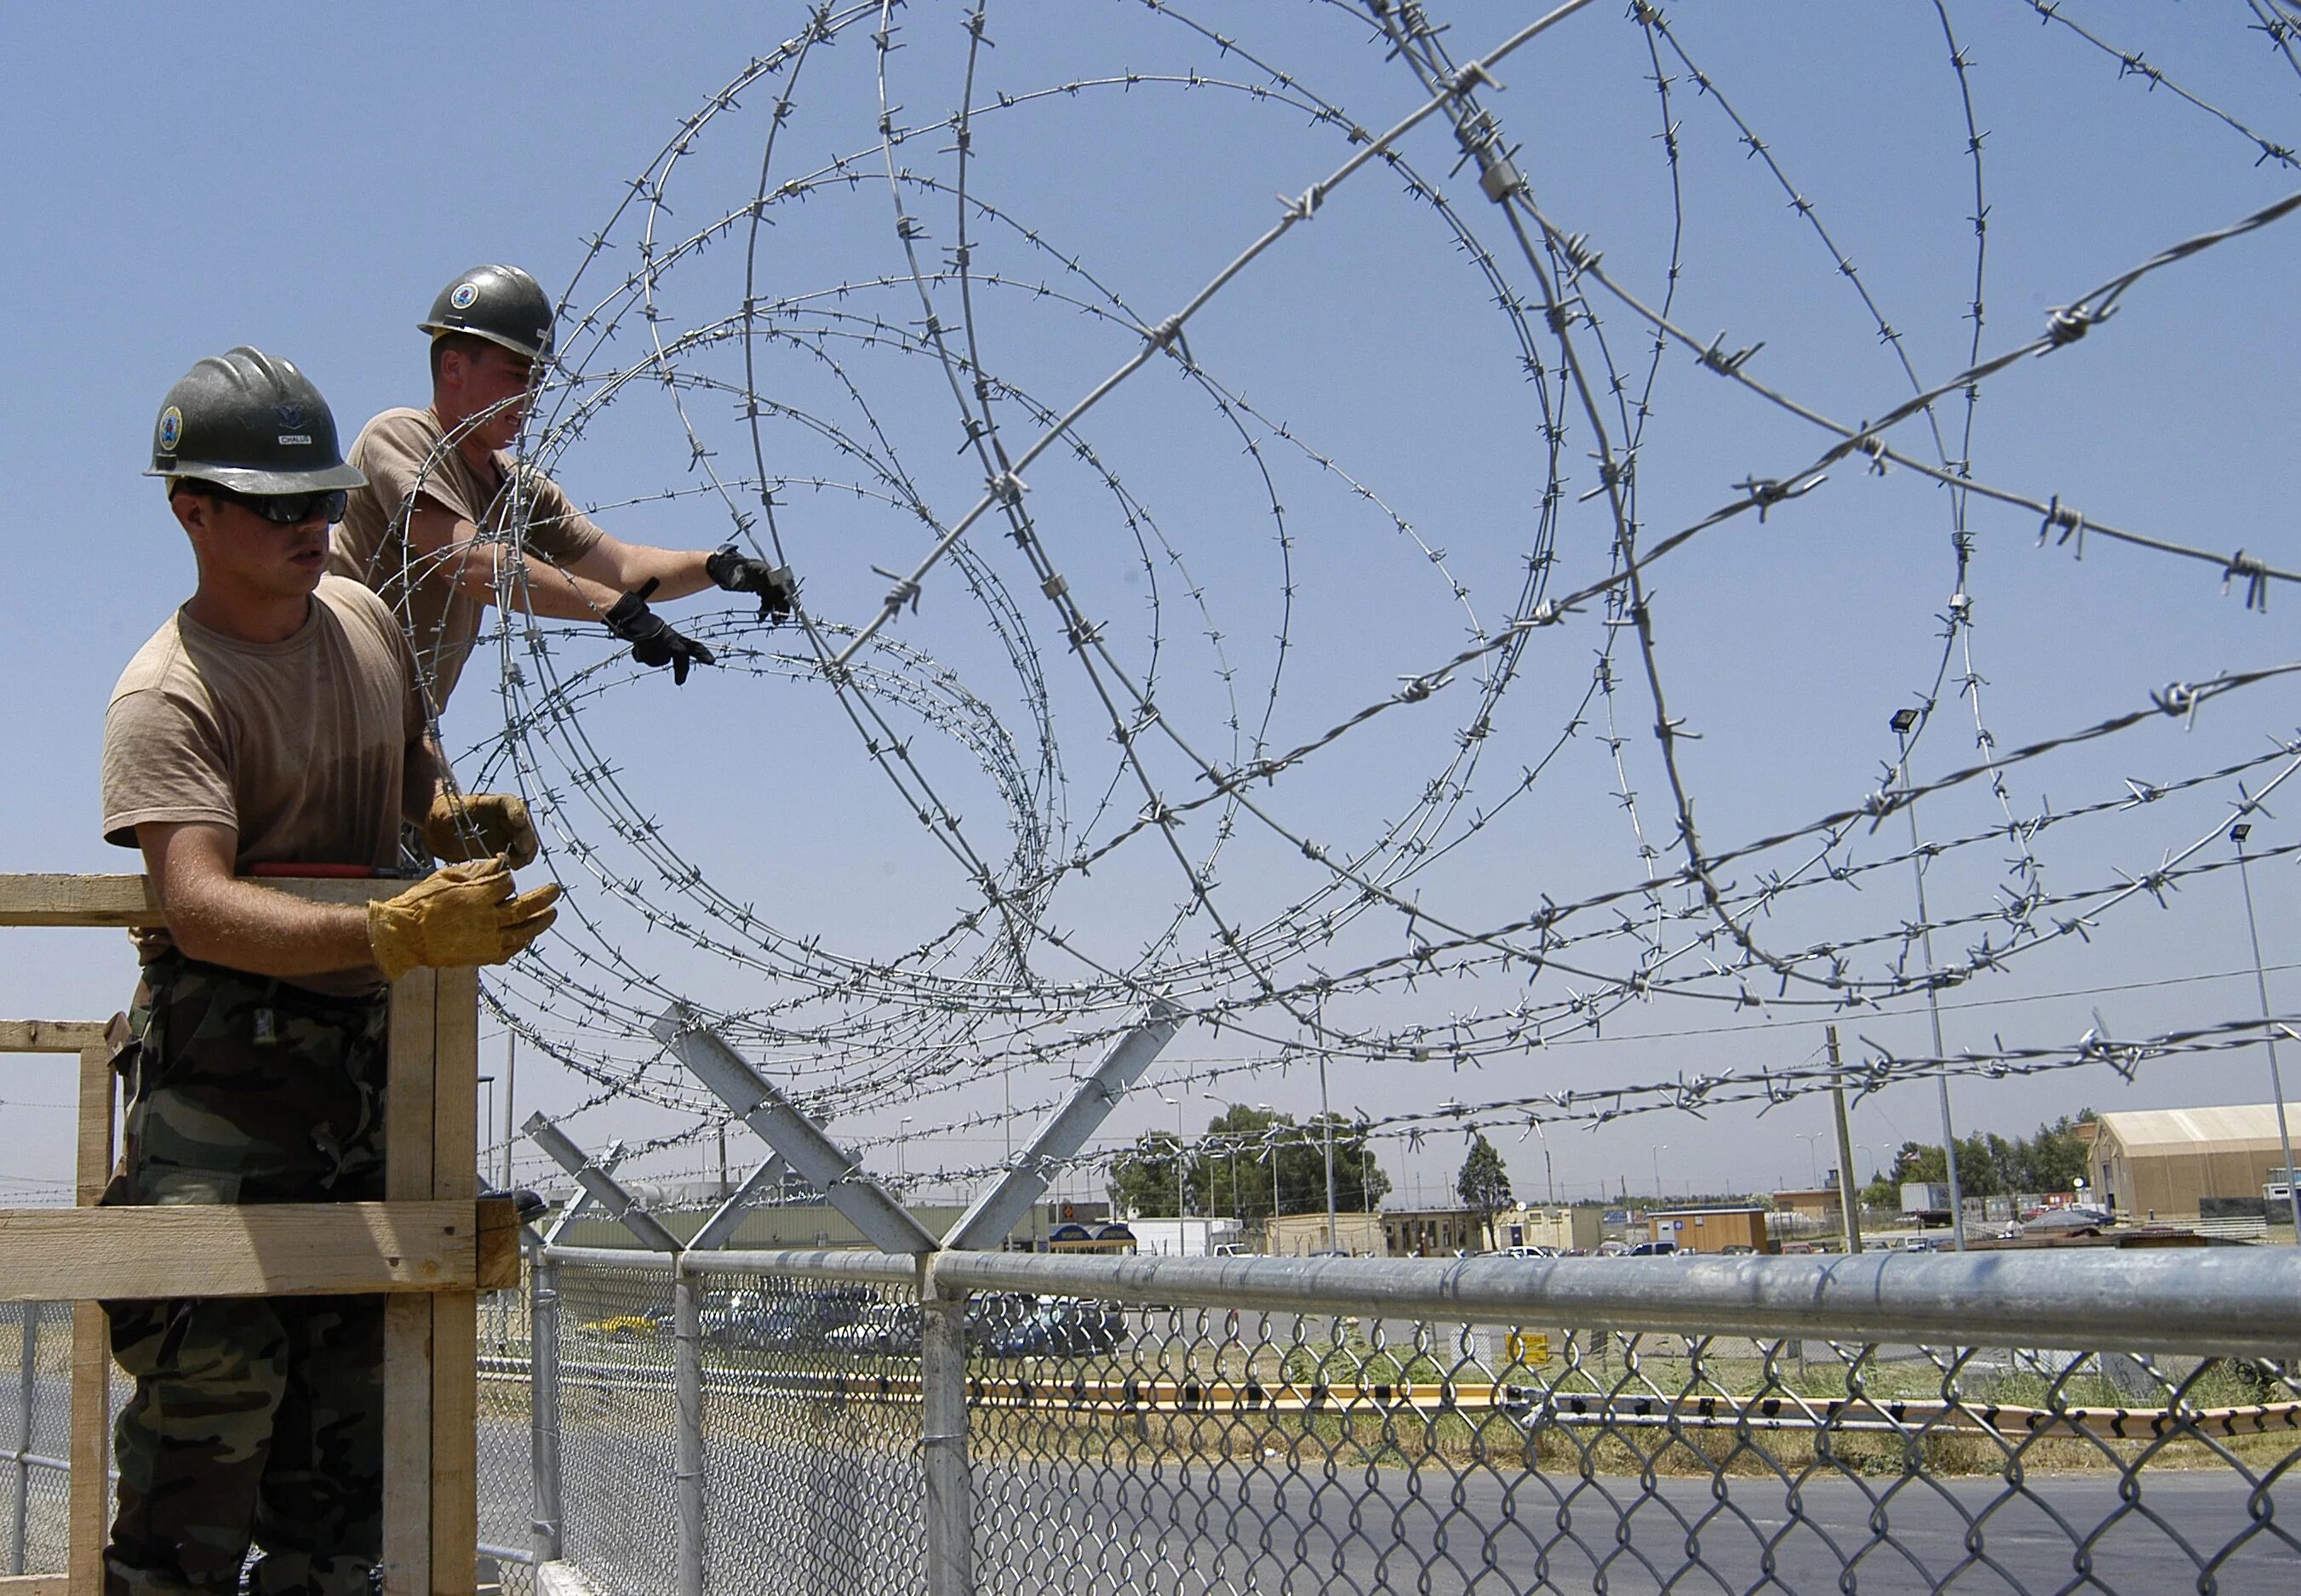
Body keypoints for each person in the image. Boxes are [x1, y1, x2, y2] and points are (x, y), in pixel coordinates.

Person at [100, 346, 560, 1596]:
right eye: (275, 504)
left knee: (347, 1434)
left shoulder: (358, 614)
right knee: (211, 1404)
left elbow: (404, 742)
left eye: (320, 497)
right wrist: (396, 933)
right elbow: (197, 904)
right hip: (225, 1094)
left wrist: (447, 820)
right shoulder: (170, 694)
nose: (312, 524)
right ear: (192, 510)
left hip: (372, 1078)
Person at [328, 262, 796, 712]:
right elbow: (466, 562)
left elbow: (621, 568)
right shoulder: (402, 437)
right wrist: (618, 611)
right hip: (329, 698)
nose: (529, 398)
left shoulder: (517, 490)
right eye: (515, 376)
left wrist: (717, 568)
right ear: (454, 367)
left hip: (404, 719)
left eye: (537, 380)